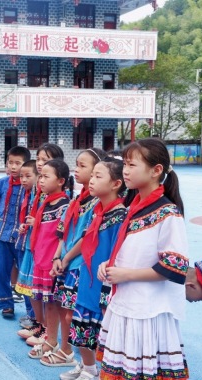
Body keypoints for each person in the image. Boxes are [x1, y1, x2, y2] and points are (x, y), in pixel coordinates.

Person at [97, 138, 189, 380]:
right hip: (127, 301)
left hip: (148, 311)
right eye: (125, 164)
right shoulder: (134, 207)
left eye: (132, 165)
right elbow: (132, 251)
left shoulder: (167, 213)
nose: (125, 170)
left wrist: (126, 274)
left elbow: (174, 265)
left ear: (156, 170)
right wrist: (109, 265)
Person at [60, 157, 126, 380]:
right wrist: (68, 259)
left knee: (101, 331)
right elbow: (85, 239)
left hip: (103, 282)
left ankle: (101, 372)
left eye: (99, 176)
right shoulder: (98, 211)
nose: (92, 181)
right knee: (80, 324)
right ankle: (88, 368)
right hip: (87, 278)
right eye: (93, 175)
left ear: (116, 184)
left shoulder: (120, 215)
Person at [42, 148, 106, 367]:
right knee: (65, 310)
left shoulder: (98, 203)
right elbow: (64, 232)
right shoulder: (79, 199)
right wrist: (57, 257)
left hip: (78, 264)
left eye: (82, 166)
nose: (76, 170)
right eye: (76, 165)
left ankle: (78, 357)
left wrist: (66, 258)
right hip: (67, 262)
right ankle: (66, 349)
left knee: (75, 316)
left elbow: (86, 237)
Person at [18, 143, 65, 347]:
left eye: (45, 160)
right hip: (37, 249)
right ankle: (40, 324)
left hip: (48, 254)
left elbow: (61, 233)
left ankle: (49, 331)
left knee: (49, 296)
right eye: (38, 159)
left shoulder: (62, 200)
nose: (39, 165)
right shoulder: (41, 193)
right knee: (34, 290)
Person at [27, 159, 70, 361]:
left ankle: (61, 344)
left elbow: (63, 237)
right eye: (40, 176)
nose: (41, 181)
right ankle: (50, 339)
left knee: (58, 305)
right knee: (49, 304)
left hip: (52, 263)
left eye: (46, 177)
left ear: (61, 181)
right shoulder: (46, 202)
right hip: (41, 260)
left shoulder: (65, 205)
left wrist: (56, 258)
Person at [0, 146, 31, 318]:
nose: (13, 167)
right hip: (1, 234)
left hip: (22, 237)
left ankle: (32, 312)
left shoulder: (29, 185)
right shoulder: (2, 182)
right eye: (10, 162)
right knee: (0, 270)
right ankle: (5, 304)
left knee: (24, 273)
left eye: (18, 163)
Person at [14, 160, 39, 329]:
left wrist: (35, 223)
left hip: (37, 246)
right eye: (21, 176)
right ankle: (32, 315)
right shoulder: (29, 194)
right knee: (26, 281)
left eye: (27, 176)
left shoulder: (41, 195)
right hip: (27, 241)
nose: (23, 179)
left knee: (34, 283)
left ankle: (38, 320)